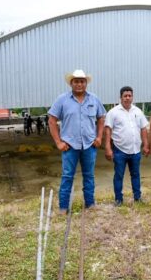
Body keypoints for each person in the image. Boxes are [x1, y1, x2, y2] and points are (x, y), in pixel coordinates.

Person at [48, 69, 106, 213]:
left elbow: (101, 118)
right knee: (67, 176)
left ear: (86, 83)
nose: (79, 84)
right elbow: (51, 120)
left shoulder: (94, 99)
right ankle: (63, 207)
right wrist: (58, 142)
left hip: (89, 145)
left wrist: (99, 137)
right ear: (71, 83)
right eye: (76, 81)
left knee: (89, 176)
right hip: (69, 146)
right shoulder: (62, 100)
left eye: (82, 81)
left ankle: (90, 204)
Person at [104, 86, 149, 206]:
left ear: (132, 97)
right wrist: (108, 147)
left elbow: (144, 128)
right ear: (121, 97)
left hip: (135, 150)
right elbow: (108, 130)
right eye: (125, 96)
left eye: (130, 96)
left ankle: (137, 198)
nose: (127, 98)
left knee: (136, 174)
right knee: (119, 175)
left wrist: (146, 145)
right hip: (119, 150)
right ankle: (118, 200)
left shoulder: (138, 111)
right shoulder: (113, 112)